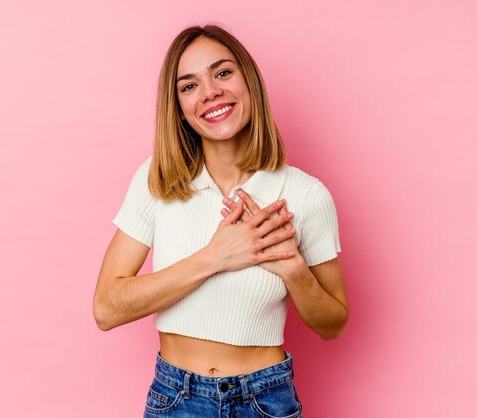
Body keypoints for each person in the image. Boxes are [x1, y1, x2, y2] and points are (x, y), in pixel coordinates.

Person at [93, 24, 348, 417]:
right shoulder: (159, 180)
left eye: (223, 72)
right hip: (176, 398)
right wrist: (217, 256)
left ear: (249, 82)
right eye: (188, 85)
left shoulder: (305, 194)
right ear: (178, 108)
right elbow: (107, 308)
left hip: (265, 400)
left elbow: (333, 324)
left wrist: (294, 270)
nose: (210, 91)